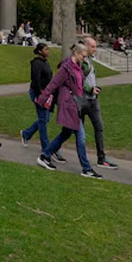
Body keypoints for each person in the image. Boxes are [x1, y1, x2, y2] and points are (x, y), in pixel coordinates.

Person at [35, 41, 93, 176]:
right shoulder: (66, 68)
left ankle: (45, 155)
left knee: (65, 134)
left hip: (75, 105)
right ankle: (87, 168)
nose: (84, 59)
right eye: (83, 56)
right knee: (81, 137)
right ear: (76, 53)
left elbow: (80, 85)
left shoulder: (78, 67)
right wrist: (42, 99)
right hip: (69, 105)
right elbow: (53, 84)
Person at [81, 37, 119, 169]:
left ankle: (101, 158)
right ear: (85, 47)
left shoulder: (90, 61)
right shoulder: (81, 62)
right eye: (92, 47)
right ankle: (50, 151)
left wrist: (94, 88)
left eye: (95, 46)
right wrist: (90, 89)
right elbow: (79, 80)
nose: (95, 49)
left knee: (99, 128)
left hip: (93, 100)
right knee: (70, 131)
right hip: (81, 101)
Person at [19, 43, 54, 154]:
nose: (48, 51)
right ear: (39, 51)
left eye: (48, 49)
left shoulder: (45, 63)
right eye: (45, 49)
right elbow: (35, 80)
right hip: (39, 94)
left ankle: (26, 133)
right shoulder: (37, 64)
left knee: (45, 119)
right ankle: (46, 147)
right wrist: (40, 96)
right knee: (43, 120)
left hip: (47, 94)